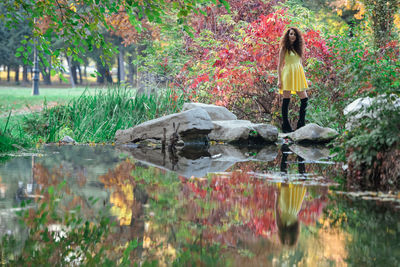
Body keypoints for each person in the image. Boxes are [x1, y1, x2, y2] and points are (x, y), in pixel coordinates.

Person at [277, 27, 309, 133]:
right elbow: (279, 66)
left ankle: (301, 123)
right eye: (291, 34)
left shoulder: (298, 48)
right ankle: (285, 125)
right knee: (286, 99)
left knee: (304, 98)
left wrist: (305, 78)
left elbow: (300, 63)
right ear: (287, 35)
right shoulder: (284, 48)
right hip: (287, 74)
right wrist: (279, 80)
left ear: (297, 36)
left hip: (298, 74)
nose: (293, 36)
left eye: (295, 34)